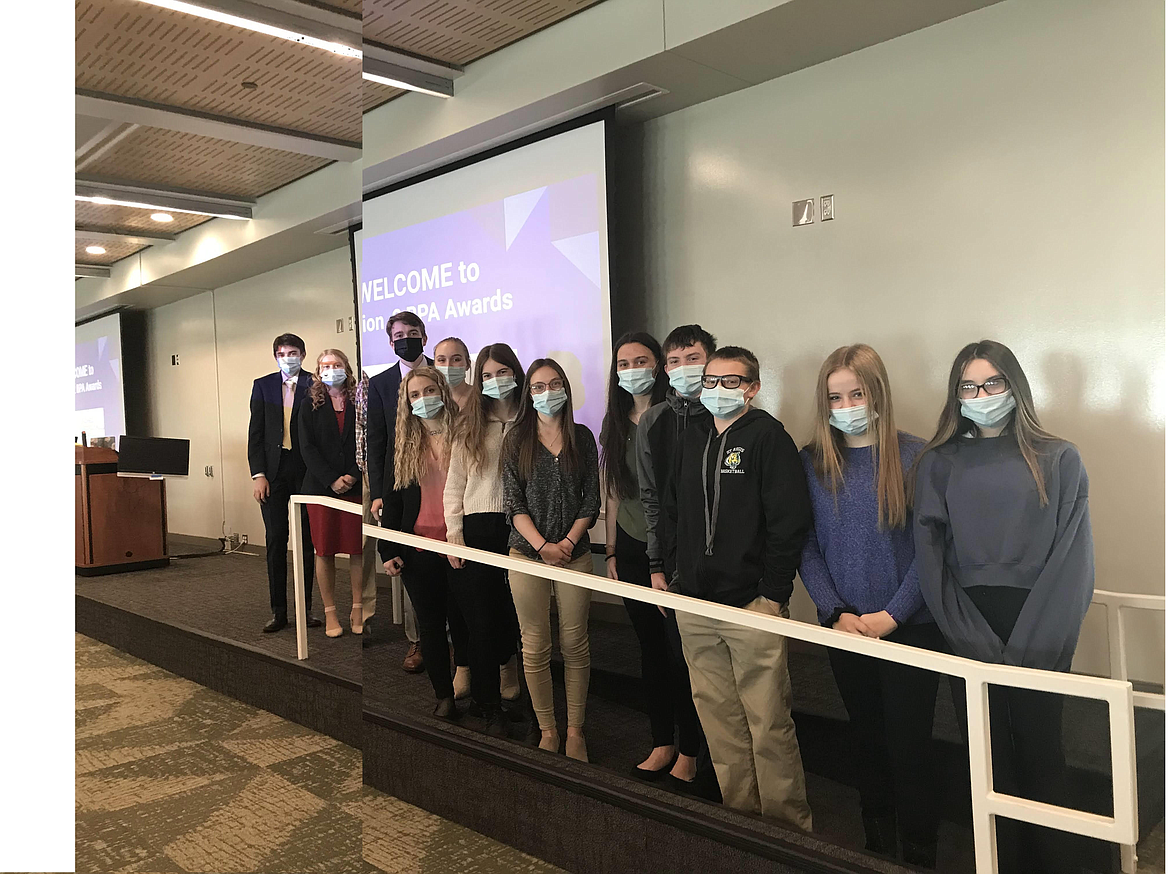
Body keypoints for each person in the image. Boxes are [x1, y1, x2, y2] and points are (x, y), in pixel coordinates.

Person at [912, 340, 1093, 874]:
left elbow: (1072, 562)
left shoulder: (1059, 458)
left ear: (1015, 387)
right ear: (956, 395)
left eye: (993, 383)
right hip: (968, 628)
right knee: (987, 762)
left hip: (1041, 627)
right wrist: (973, 643)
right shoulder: (937, 462)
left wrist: (1034, 646)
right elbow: (931, 561)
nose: (982, 395)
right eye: (969, 386)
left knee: (1043, 756)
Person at [799, 344, 942, 867]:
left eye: (856, 393)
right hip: (847, 629)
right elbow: (807, 545)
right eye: (835, 396)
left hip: (910, 628)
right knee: (868, 739)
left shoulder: (917, 456)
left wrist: (893, 615)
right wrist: (834, 610)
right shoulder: (812, 462)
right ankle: (876, 844)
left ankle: (919, 852)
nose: (847, 404)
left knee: (910, 745)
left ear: (877, 393)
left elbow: (933, 552)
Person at [664, 345, 813, 832]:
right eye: (711, 381)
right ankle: (742, 821)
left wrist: (772, 596)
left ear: (752, 387)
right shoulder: (692, 436)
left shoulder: (769, 438)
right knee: (719, 720)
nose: (718, 390)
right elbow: (676, 513)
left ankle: (788, 829)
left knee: (768, 722)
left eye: (731, 382)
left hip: (752, 606)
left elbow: (788, 524)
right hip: (695, 605)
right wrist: (675, 576)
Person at [601, 331, 702, 787]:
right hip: (631, 545)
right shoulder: (616, 420)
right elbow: (616, 491)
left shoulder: (677, 417)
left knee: (681, 651)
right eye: (623, 363)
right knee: (649, 648)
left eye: (642, 360)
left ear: (660, 366)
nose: (632, 369)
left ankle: (690, 748)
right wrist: (612, 549)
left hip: (675, 548)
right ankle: (662, 739)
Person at [501, 358, 600, 762]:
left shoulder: (582, 436)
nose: (547, 392)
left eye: (554, 384)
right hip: (525, 554)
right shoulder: (515, 439)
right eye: (538, 386)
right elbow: (513, 502)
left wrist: (566, 543)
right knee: (535, 645)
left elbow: (591, 499)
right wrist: (543, 546)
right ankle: (548, 729)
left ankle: (575, 729)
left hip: (575, 554)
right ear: (528, 393)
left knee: (575, 643)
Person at [634, 323, 716, 791]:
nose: (684, 369)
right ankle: (685, 749)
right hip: (671, 562)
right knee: (677, 659)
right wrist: (655, 565)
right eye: (675, 361)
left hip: (720, 567)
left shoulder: (729, 414)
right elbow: (651, 499)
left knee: (716, 671)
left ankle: (707, 756)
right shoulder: (654, 421)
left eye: (694, 358)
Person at [379, 366, 484, 722]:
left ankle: (467, 676)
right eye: (414, 395)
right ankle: (443, 695)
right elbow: (391, 499)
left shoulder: (466, 434)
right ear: (406, 404)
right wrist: (388, 549)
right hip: (417, 548)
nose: (423, 399)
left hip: (459, 545)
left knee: (464, 620)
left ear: (442, 390)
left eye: (428, 391)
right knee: (430, 625)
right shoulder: (403, 445)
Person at [444, 343, 525, 709]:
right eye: (487, 375)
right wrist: (454, 532)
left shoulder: (531, 420)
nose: (495, 381)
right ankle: (485, 696)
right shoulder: (469, 424)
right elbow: (455, 482)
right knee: (480, 612)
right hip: (477, 526)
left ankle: (508, 665)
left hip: (521, 526)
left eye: (502, 372)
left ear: (516, 373)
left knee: (511, 608)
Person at [367, 311, 433, 671]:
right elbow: (376, 442)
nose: (406, 339)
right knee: (411, 562)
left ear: (424, 335)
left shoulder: (441, 373)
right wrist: (378, 491)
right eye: (399, 335)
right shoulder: (378, 384)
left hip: (441, 481)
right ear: (390, 342)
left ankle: (452, 641)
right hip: (400, 485)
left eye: (413, 332)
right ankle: (417, 641)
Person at [247, 333, 321, 633]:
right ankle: (279, 611)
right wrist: (258, 474)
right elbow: (256, 433)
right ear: (275, 356)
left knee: (306, 542)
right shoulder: (262, 385)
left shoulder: (315, 383)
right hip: (273, 474)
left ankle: (306, 610)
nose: (287, 357)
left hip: (305, 471)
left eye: (292, 352)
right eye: (281, 353)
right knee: (277, 540)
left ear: (302, 354)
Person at [298, 349, 364, 638]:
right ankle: (330, 613)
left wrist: (352, 473)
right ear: (317, 371)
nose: (332, 369)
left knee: (356, 549)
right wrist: (331, 480)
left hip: (355, 483)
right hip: (321, 489)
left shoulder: (359, 400)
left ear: (347, 368)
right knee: (323, 551)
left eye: (337, 364)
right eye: (326, 365)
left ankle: (358, 608)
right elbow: (306, 447)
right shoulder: (308, 404)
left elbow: (368, 439)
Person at [434, 336, 475, 410]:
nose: (448, 365)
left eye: (456, 359)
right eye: (441, 360)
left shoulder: (481, 397)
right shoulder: (429, 401)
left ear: (468, 364)